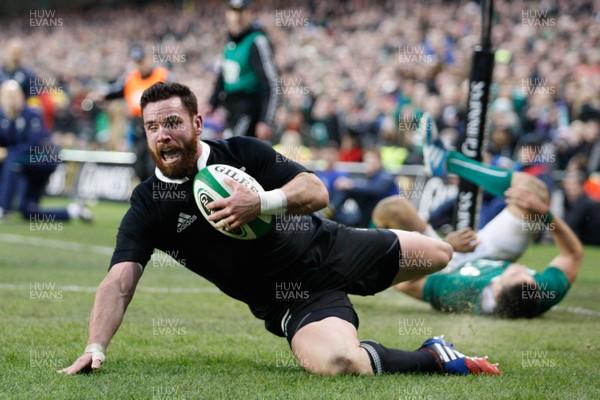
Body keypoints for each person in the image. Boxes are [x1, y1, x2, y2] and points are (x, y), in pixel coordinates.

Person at [59, 82, 501, 377]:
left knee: (440, 256)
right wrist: (96, 345)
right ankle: (436, 356)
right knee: (339, 362)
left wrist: (264, 202)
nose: (163, 136)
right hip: (291, 299)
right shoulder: (148, 205)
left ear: (196, 123)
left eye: (172, 123)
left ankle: (468, 265)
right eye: (152, 127)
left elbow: (316, 190)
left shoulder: (242, 151)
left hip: (332, 247)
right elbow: (119, 281)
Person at [388, 114, 583, 318]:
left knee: (393, 208)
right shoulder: (538, 293)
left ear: (496, 290)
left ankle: (358, 272)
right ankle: (447, 162)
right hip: (493, 254)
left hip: (451, 261)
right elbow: (573, 255)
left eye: (517, 273)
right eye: (529, 275)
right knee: (534, 191)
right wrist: (544, 214)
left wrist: (447, 246)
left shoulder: (460, 292)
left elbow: (404, 284)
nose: (523, 267)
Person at [0, 80, 91, 221]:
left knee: (12, 161)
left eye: (14, 95)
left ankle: (4, 209)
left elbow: (33, 143)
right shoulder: (3, 117)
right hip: (26, 165)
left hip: (44, 159)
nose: (12, 100)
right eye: (8, 96)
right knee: (27, 211)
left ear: (21, 96)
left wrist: (7, 152)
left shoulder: (33, 115)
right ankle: (73, 211)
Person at [91, 44, 171, 181]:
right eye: (137, 62)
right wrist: (102, 95)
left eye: (141, 61)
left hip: (158, 126)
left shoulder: (161, 76)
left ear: (148, 59)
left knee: (154, 165)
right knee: (140, 167)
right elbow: (116, 91)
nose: (140, 65)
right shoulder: (131, 79)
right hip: (139, 128)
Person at [205, 0, 280, 141]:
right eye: (233, 12)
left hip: (249, 112)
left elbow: (273, 82)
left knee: (233, 150)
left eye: (241, 12)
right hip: (231, 110)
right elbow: (223, 76)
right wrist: (212, 103)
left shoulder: (257, 41)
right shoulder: (230, 43)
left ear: (250, 14)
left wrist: (266, 120)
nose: (237, 17)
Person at [330, 147, 400, 227]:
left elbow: (375, 189)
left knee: (348, 189)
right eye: (367, 161)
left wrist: (351, 184)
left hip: (387, 213)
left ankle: (329, 212)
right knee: (345, 190)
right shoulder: (370, 177)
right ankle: (330, 212)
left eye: (372, 161)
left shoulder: (386, 175)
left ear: (379, 162)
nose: (368, 164)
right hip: (371, 212)